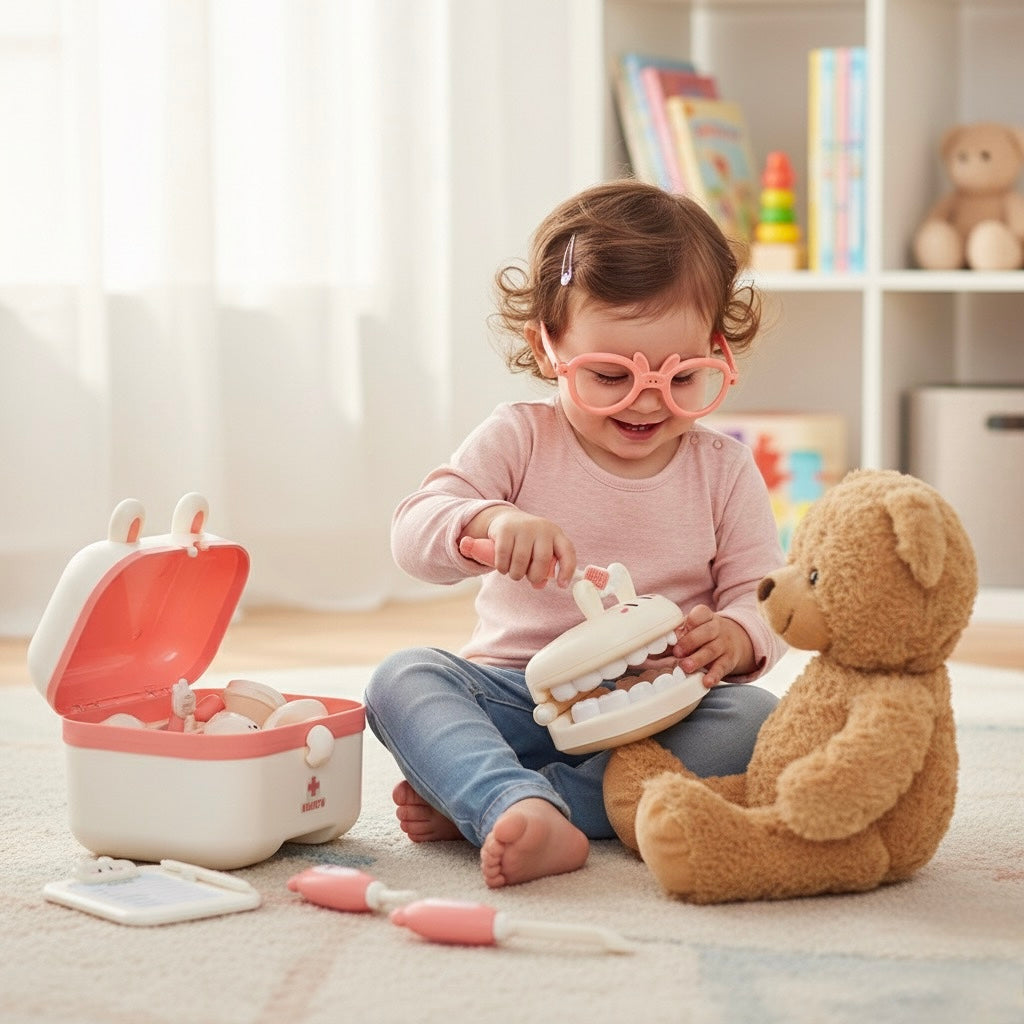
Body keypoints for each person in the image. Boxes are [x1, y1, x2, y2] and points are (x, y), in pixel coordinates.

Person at [364, 179, 786, 889]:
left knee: (756, 722)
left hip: (662, 707)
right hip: (516, 698)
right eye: (610, 374)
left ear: (718, 347)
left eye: (683, 376)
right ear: (547, 345)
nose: (648, 399)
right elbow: (414, 532)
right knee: (401, 679)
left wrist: (740, 635)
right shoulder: (519, 438)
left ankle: (506, 802)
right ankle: (506, 791)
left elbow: (761, 592)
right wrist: (487, 520)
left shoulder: (724, 468)